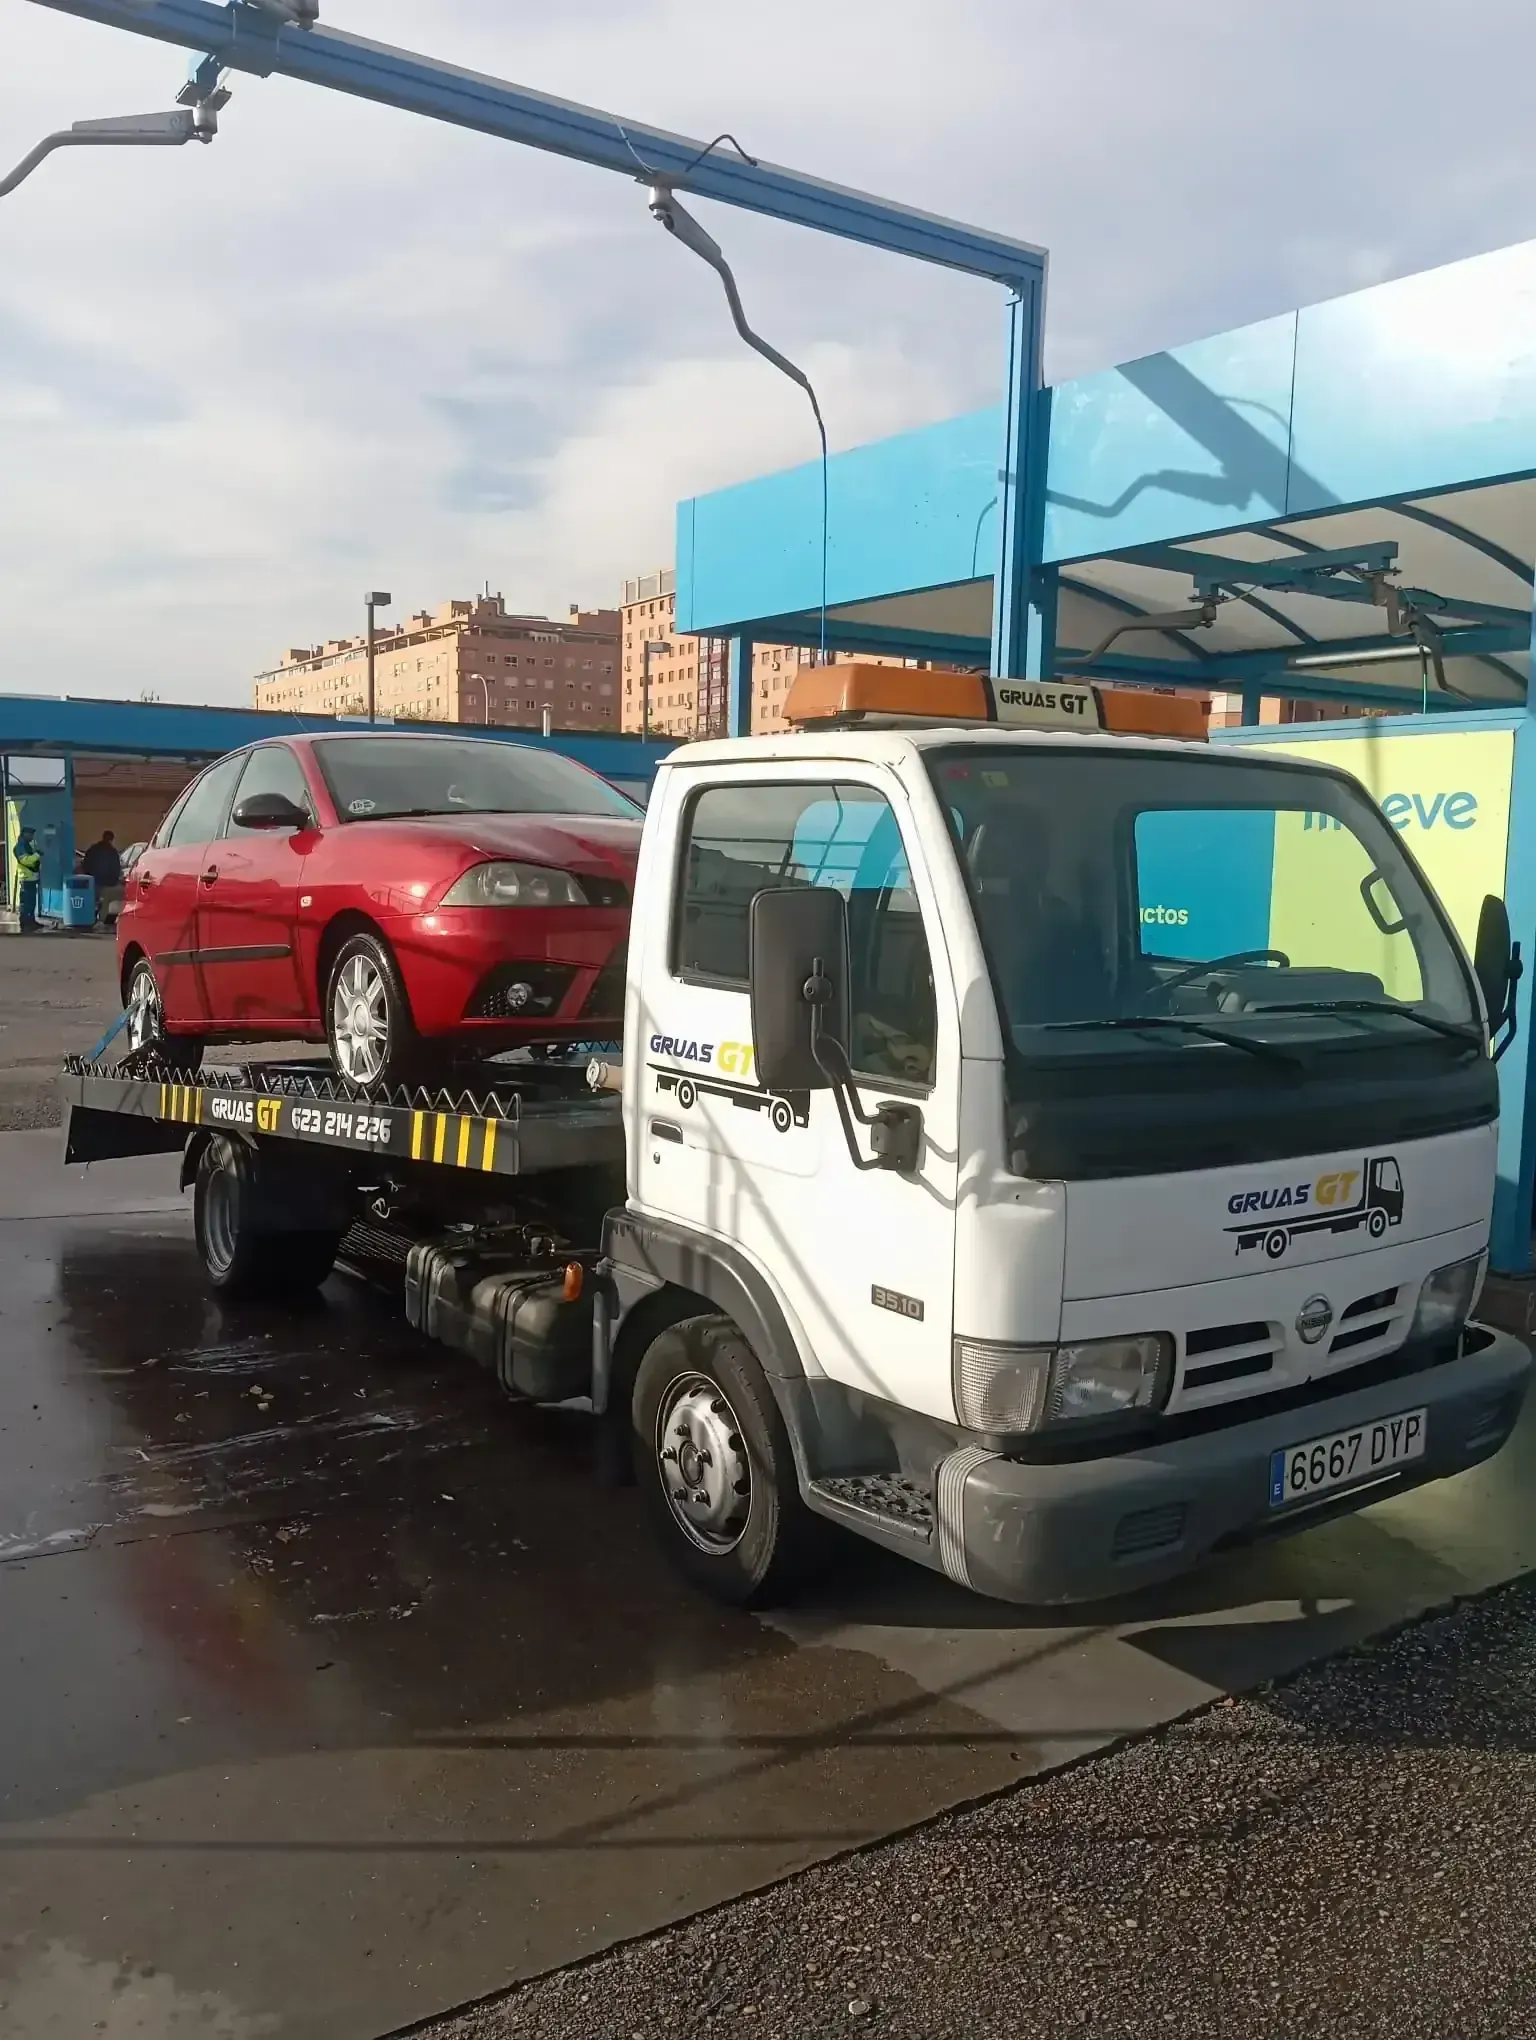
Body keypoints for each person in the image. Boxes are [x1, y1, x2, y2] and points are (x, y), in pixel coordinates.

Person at [79, 829, 125, 925]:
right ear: (111, 839)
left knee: (93, 901)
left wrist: (88, 874)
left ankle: (90, 919)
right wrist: (114, 880)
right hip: (107, 883)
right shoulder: (113, 852)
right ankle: (100, 919)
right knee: (104, 901)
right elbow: (116, 868)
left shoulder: (94, 849)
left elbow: (86, 862)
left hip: (94, 880)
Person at [13, 825, 42, 932]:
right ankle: (25, 923)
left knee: (31, 902)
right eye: (30, 834)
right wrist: (37, 855)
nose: (32, 836)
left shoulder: (28, 845)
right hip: (26, 879)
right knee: (26, 903)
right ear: (24, 834)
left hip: (32, 878)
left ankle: (31, 921)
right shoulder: (20, 847)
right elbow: (25, 860)